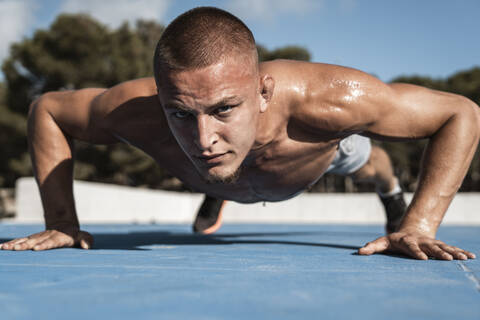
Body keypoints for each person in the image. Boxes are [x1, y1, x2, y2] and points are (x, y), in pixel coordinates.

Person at [1, 7, 478, 261]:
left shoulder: (329, 102)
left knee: (369, 164)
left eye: (224, 108)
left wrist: (416, 224)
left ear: (264, 92)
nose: (204, 137)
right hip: (231, 170)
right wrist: (61, 220)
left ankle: (390, 194)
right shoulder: (137, 113)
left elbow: (461, 113)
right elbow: (48, 109)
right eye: (181, 114)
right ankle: (221, 189)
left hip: (315, 154)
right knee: (216, 156)